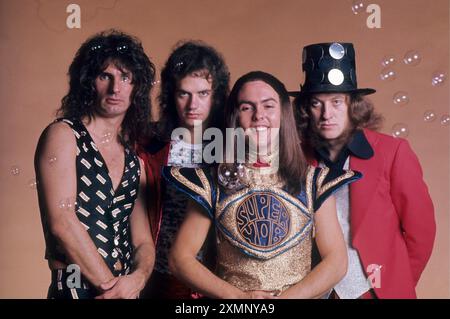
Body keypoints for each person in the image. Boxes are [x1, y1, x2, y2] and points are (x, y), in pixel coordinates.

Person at [165, 71, 362, 298]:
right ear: (235, 117)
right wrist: (239, 299)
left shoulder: (314, 181)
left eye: (268, 106)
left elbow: (336, 261)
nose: (259, 115)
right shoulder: (211, 182)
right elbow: (180, 259)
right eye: (247, 107)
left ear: (284, 115)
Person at [293, 42, 436, 299]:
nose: (327, 114)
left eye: (337, 102)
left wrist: (394, 284)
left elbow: (421, 233)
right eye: (317, 103)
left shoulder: (393, 152)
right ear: (306, 109)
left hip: (374, 292)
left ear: (353, 105)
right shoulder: (297, 158)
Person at [35, 30, 155, 299]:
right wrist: (113, 288)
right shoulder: (64, 135)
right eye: (105, 76)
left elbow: (143, 241)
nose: (116, 88)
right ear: (89, 81)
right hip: (76, 289)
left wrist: (137, 279)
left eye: (125, 78)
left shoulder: (135, 160)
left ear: (137, 87)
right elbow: (62, 222)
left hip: (124, 292)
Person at [137, 41, 230, 298]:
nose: (192, 104)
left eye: (203, 93)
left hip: (217, 278)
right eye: (183, 93)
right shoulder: (150, 145)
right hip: (160, 275)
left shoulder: (231, 147)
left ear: (217, 95)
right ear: (171, 95)